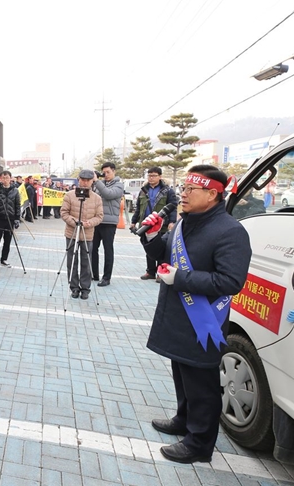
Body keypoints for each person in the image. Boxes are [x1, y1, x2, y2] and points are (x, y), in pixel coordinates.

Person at [141, 164, 251, 464]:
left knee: (202, 384)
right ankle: (183, 419)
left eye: (191, 189)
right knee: (182, 372)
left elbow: (231, 282)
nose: (184, 194)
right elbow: (165, 256)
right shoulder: (185, 222)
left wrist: (181, 279)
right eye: (184, 188)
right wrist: (151, 238)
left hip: (204, 322)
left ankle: (199, 444)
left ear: (213, 194)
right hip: (177, 315)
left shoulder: (230, 232)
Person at [60, 170, 104, 299]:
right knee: (72, 261)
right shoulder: (69, 195)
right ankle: (74, 287)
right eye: (82, 180)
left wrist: (89, 223)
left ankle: (85, 288)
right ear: (78, 179)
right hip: (72, 233)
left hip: (88, 234)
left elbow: (99, 216)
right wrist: (75, 222)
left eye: (88, 180)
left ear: (92, 181)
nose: (85, 183)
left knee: (86, 261)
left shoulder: (97, 198)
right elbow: (64, 213)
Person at [130, 167, 178, 281]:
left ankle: (160, 273)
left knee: (162, 249)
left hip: (161, 225)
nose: (151, 178)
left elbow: (173, 207)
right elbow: (138, 208)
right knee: (149, 249)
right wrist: (133, 222)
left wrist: (172, 221)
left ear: (160, 176)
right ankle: (150, 271)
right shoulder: (143, 190)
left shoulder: (167, 191)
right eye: (149, 175)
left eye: (154, 175)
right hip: (146, 225)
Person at [91, 162, 124, 287]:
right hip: (97, 221)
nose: (105, 175)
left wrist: (97, 182)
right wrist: (92, 182)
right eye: (103, 173)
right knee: (93, 248)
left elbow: (108, 194)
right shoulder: (100, 184)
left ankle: (106, 277)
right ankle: (94, 274)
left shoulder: (119, 185)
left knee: (108, 250)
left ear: (114, 171)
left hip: (109, 222)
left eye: (108, 172)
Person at [0, 171, 20, 269]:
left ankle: (4, 259)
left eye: (7, 178)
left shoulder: (15, 190)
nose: (5, 180)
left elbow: (17, 205)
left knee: (7, 241)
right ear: (0, 178)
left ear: (10, 178)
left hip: (10, 219)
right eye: (3, 178)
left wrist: (17, 219)